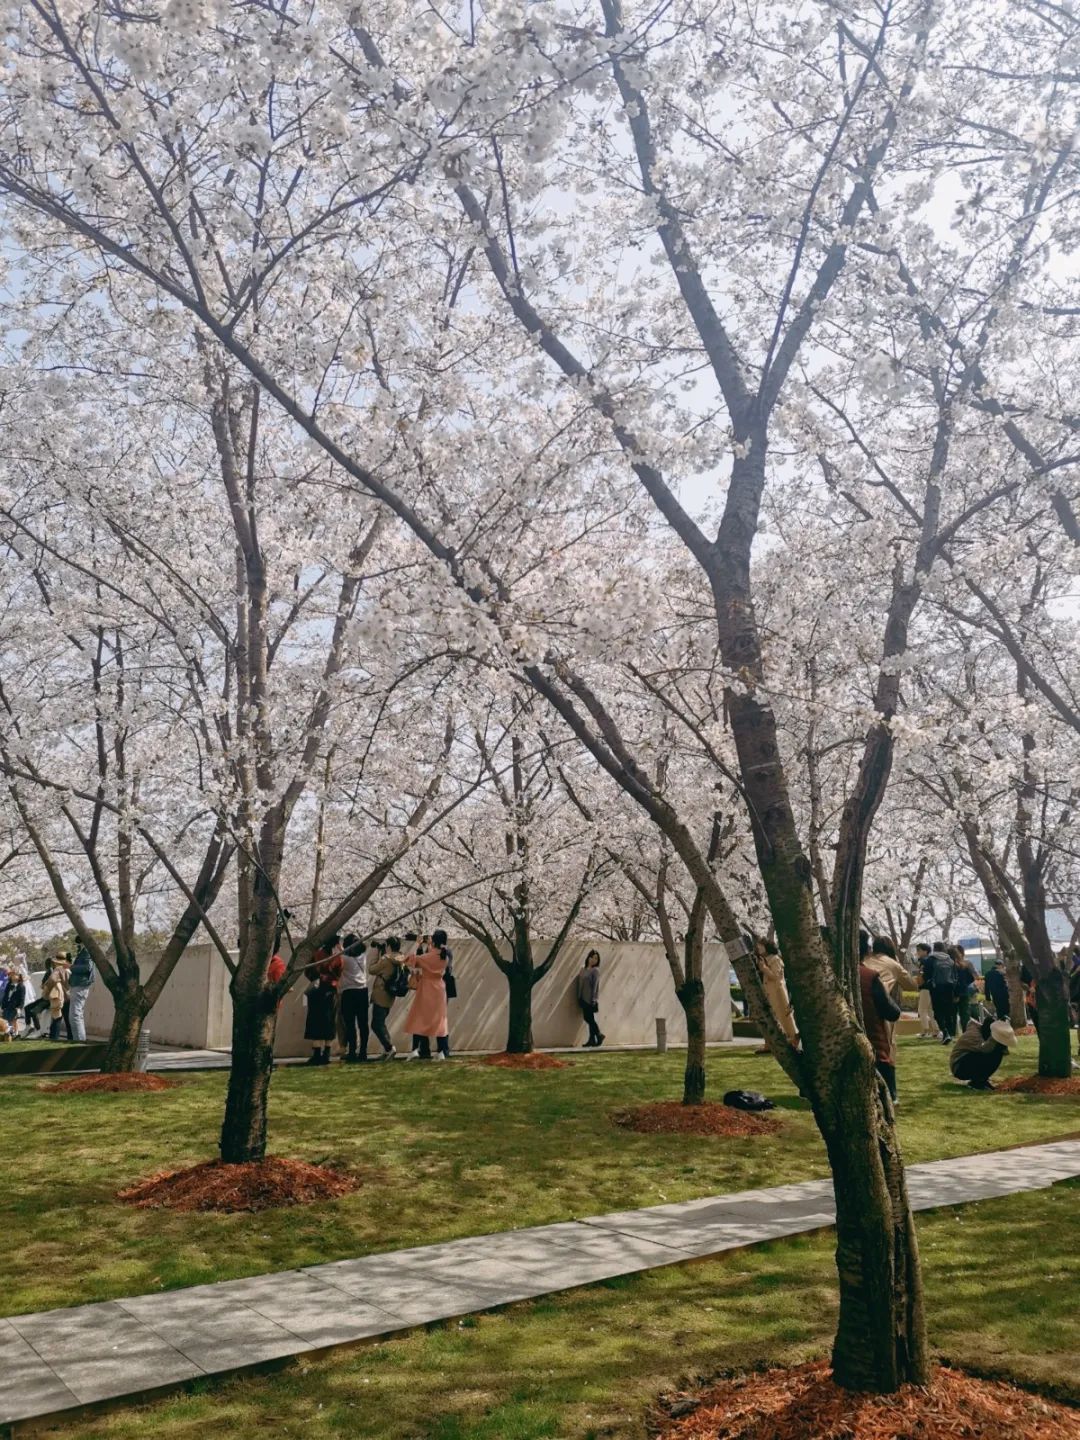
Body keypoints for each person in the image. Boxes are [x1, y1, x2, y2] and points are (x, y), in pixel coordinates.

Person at [859, 957, 902, 1102]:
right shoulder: (869, 975)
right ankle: (892, 1095)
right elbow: (892, 1012)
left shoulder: (824, 977)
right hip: (873, 1045)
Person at [405, 935, 450, 1060]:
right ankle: (441, 1051)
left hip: (427, 988)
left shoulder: (428, 957)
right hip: (440, 989)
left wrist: (417, 944)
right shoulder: (445, 956)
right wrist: (431, 945)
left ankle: (415, 1049)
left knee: (419, 1017)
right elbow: (433, 957)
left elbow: (409, 959)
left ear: (434, 941)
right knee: (439, 1019)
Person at [866, 936, 908, 1067]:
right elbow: (910, 985)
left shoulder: (864, 961)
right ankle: (888, 1074)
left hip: (862, 1002)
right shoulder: (892, 963)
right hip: (882, 1004)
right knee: (888, 1044)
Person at [950, 1014, 1016, 1089]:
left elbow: (1005, 1052)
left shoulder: (982, 1033)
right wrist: (994, 1038)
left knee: (997, 1051)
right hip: (959, 1066)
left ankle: (982, 1079)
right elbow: (984, 1050)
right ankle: (977, 1081)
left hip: (965, 1062)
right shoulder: (974, 1034)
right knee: (993, 1053)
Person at [756, 939, 798, 1046]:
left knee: (783, 1016)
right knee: (773, 1017)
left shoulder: (775, 960)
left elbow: (777, 977)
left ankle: (793, 1038)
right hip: (771, 993)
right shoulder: (764, 960)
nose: (758, 949)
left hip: (778, 993)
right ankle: (770, 1043)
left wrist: (764, 968)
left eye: (761, 946)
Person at [338, 934, 370, 1064]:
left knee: (350, 1024)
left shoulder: (344, 958)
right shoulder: (363, 957)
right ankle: (363, 1051)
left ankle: (352, 1051)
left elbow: (339, 954)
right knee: (363, 1023)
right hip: (362, 991)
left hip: (349, 992)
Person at [368, 938, 400, 1060]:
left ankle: (389, 1047)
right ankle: (388, 1050)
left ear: (389, 946)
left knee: (376, 1024)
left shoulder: (386, 959)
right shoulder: (400, 958)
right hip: (390, 994)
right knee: (380, 1023)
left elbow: (372, 970)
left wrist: (377, 954)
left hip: (381, 993)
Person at [302, 969, 338, 1065]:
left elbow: (308, 972)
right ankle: (326, 1053)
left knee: (315, 1022)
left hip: (316, 993)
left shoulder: (316, 958)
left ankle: (317, 1054)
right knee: (329, 1022)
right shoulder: (336, 959)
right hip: (330, 992)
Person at [927, 941, 958, 1044]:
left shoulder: (931, 959)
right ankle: (950, 1033)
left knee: (938, 1011)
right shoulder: (950, 960)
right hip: (949, 988)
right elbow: (955, 975)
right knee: (948, 1011)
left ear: (934, 948)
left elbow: (927, 975)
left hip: (936, 988)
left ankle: (945, 1033)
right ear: (943, 948)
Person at [67, 939, 95, 1043]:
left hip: (80, 985)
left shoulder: (86, 951)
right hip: (78, 986)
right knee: (76, 1015)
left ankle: (79, 1041)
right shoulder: (84, 952)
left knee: (75, 1015)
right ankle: (79, 1040)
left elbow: (87, 968)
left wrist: (71, 967)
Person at [577, 949, 603, 1047]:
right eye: (592, 957)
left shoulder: (595, 971)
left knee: (589, 1018)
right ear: (588, 957)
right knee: (589, 1018)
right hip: (582, 997)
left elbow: (595, 985)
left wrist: (594, 999)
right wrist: (578, 996)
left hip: (590, 998)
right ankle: (592, 1039)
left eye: (596, 958)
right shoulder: (583, 969)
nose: (593, 960)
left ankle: (599, 1035)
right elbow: (580, 982)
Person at [44, 957, 71, 1041]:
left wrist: (45, 988)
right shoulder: (69, 971)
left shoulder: (58, 970)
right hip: (68, 996)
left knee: (56, 1018)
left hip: (59, 997)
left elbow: (51, 980)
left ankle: (53, 1038)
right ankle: (71, 1038)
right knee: (67, 1020)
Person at [914, 943, 937, 1038]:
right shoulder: (932, 960)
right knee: (930, 1010)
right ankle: (936, 1030)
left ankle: (925, 1031)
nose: (917, 952)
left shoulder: (923, 961)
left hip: (925, 988)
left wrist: (919, 982)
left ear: (925, 951)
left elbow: (922, 975)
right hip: (932, 987)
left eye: (919, 950)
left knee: (922, 1010)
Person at [953, 945, 978, 1031]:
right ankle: (966, 1031)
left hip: (965, 991)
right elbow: (974, 976)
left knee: (965, 1013)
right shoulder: (966, 964)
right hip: (966, 990)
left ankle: (963, 1031)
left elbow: (975, 976)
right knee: (965, 1013)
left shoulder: (966, 963)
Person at [1, 968, 26, 1037]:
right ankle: (12, 1033)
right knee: (7, 1019)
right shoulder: (8, 985)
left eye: (15, 975)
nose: (13, 977)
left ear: (19, 976)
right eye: (12, 975)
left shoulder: (21, 986)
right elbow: (5, 996)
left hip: (15, 1006)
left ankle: (13, 1033)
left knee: (11, 1020)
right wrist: (3, 1006)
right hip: (7, 1005)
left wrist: (19, 1008)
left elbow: (22, 998)